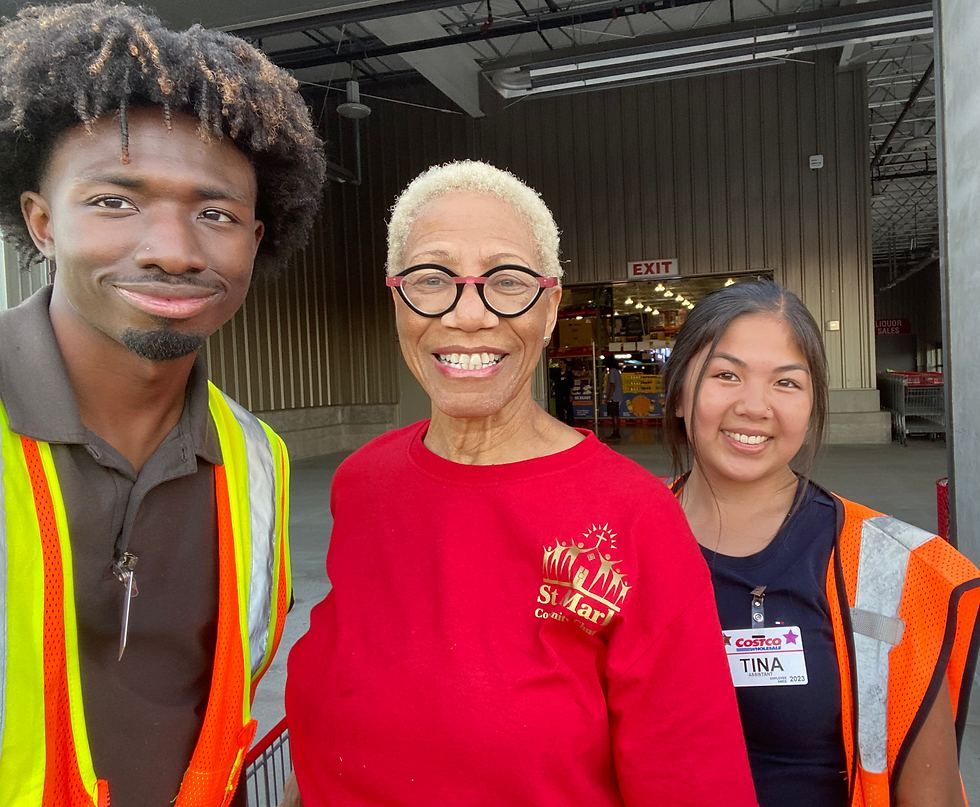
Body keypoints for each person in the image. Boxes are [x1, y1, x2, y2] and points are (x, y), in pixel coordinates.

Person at [283, 160, 757, 807]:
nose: (469, 314)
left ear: (551, 304)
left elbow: (693, 782)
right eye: (432, 278)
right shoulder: (361, 484)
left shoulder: (633, 516)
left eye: (506, 281)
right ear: (397, 296)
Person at [0, 3, 326, 805]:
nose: (173, 250)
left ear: (255, 239)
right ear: (42, 222)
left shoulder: (256, 459)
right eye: (116, 201)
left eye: (215, 214)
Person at [662, 280, 979, 807]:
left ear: (811, 405)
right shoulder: (609, 544)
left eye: (786, 383)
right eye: (726, 375)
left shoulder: (895, 569)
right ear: (677, 393)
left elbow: (932, 792)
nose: (755, 406)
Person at [551, 357, 574, 425]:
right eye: (559, 363)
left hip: (566, 394)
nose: (559, 365)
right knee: (560, 409)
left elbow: (571, 385)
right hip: (559, 394)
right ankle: (561, 422)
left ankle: (571, 423)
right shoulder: (557, 373)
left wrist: (570, 395)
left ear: (565, 364)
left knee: (569, 409)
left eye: (561, 363)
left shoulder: (569, 374)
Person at [605, 355, 623, 439]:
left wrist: (609, 397)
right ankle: (617, 431)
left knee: (614, 415)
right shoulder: (617, 371)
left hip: (613, 397)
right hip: (618, 396)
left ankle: (615, 432)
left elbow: (612, 385)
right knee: (617, 414)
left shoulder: (612, 371)